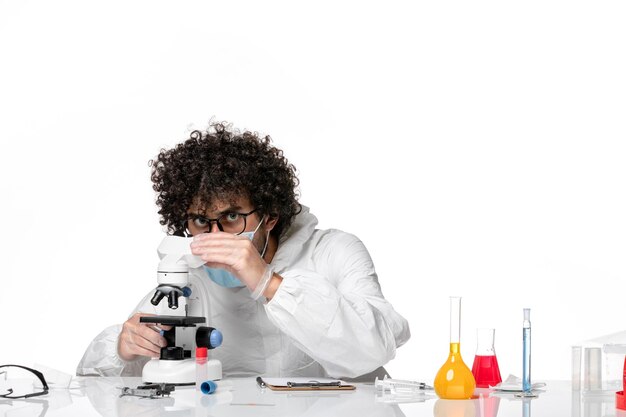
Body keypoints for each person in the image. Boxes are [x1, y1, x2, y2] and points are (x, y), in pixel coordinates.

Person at [76, 122, 410, 380]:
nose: (215, 236)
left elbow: (375, 348)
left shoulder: (334, 252)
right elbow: (94, 381)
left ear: (270, 216)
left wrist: (268, 282)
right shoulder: (188, 277)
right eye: (200, 220)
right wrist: (125, 348)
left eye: (232, 217)